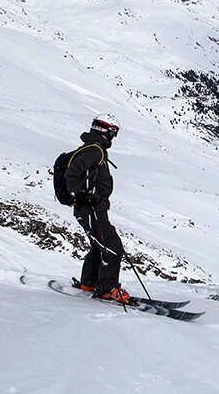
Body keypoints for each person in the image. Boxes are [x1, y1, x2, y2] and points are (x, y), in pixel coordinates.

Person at [66, 113, 130, 304]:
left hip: (90, 208)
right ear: (107, 131)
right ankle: (108, 289)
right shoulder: (95, 151)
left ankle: (89, 283)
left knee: (98, 244)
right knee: (113, 248)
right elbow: (73, 173)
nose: (114, 137)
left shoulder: (93, 149)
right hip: (91, 209)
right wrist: (82, 197)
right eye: (114, 133)